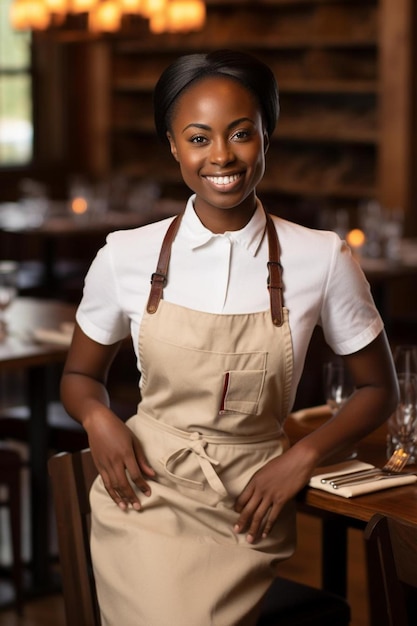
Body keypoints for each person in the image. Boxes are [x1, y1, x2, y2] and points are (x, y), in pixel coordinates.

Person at [61, 49, 398, 626]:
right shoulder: (125, 255)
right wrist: (99, 420)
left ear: (267, 137)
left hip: (251, 509)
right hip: (146, 498)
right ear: (172, 144)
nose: (221, 155)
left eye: (241, 134)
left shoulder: (321, 257)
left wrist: (302, 457)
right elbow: (79, 377)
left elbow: (378, 390)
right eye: (198, 137)